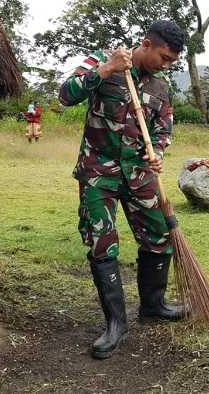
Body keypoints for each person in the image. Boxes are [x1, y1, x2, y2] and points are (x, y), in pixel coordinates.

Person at [58, 20, 186, 360]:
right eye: (164, 57)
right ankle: (116, 323)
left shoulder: (159, 87)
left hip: (140, 175)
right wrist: (105, 69)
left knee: (159, 236)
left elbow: (163, 129)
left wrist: (156, 152)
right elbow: (65, 95)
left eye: (173, 61)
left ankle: (153, 306)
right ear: (146, 44)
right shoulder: (105, 61)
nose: (167, 65)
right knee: (102, 244)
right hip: (99, 173)